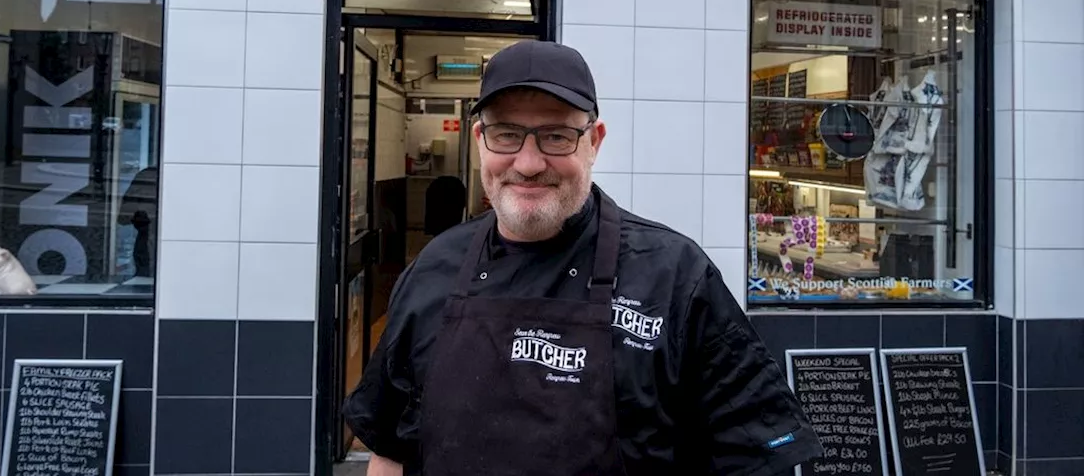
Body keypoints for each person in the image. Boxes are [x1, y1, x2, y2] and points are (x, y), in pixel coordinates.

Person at [342, 40, 823, 475]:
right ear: (479, 142)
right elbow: (389, 453)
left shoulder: (676, 278)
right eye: (507, 134)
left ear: (594, 142)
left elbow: (755, 459)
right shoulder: (432, 269)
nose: (528, 164)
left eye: (556, 136)